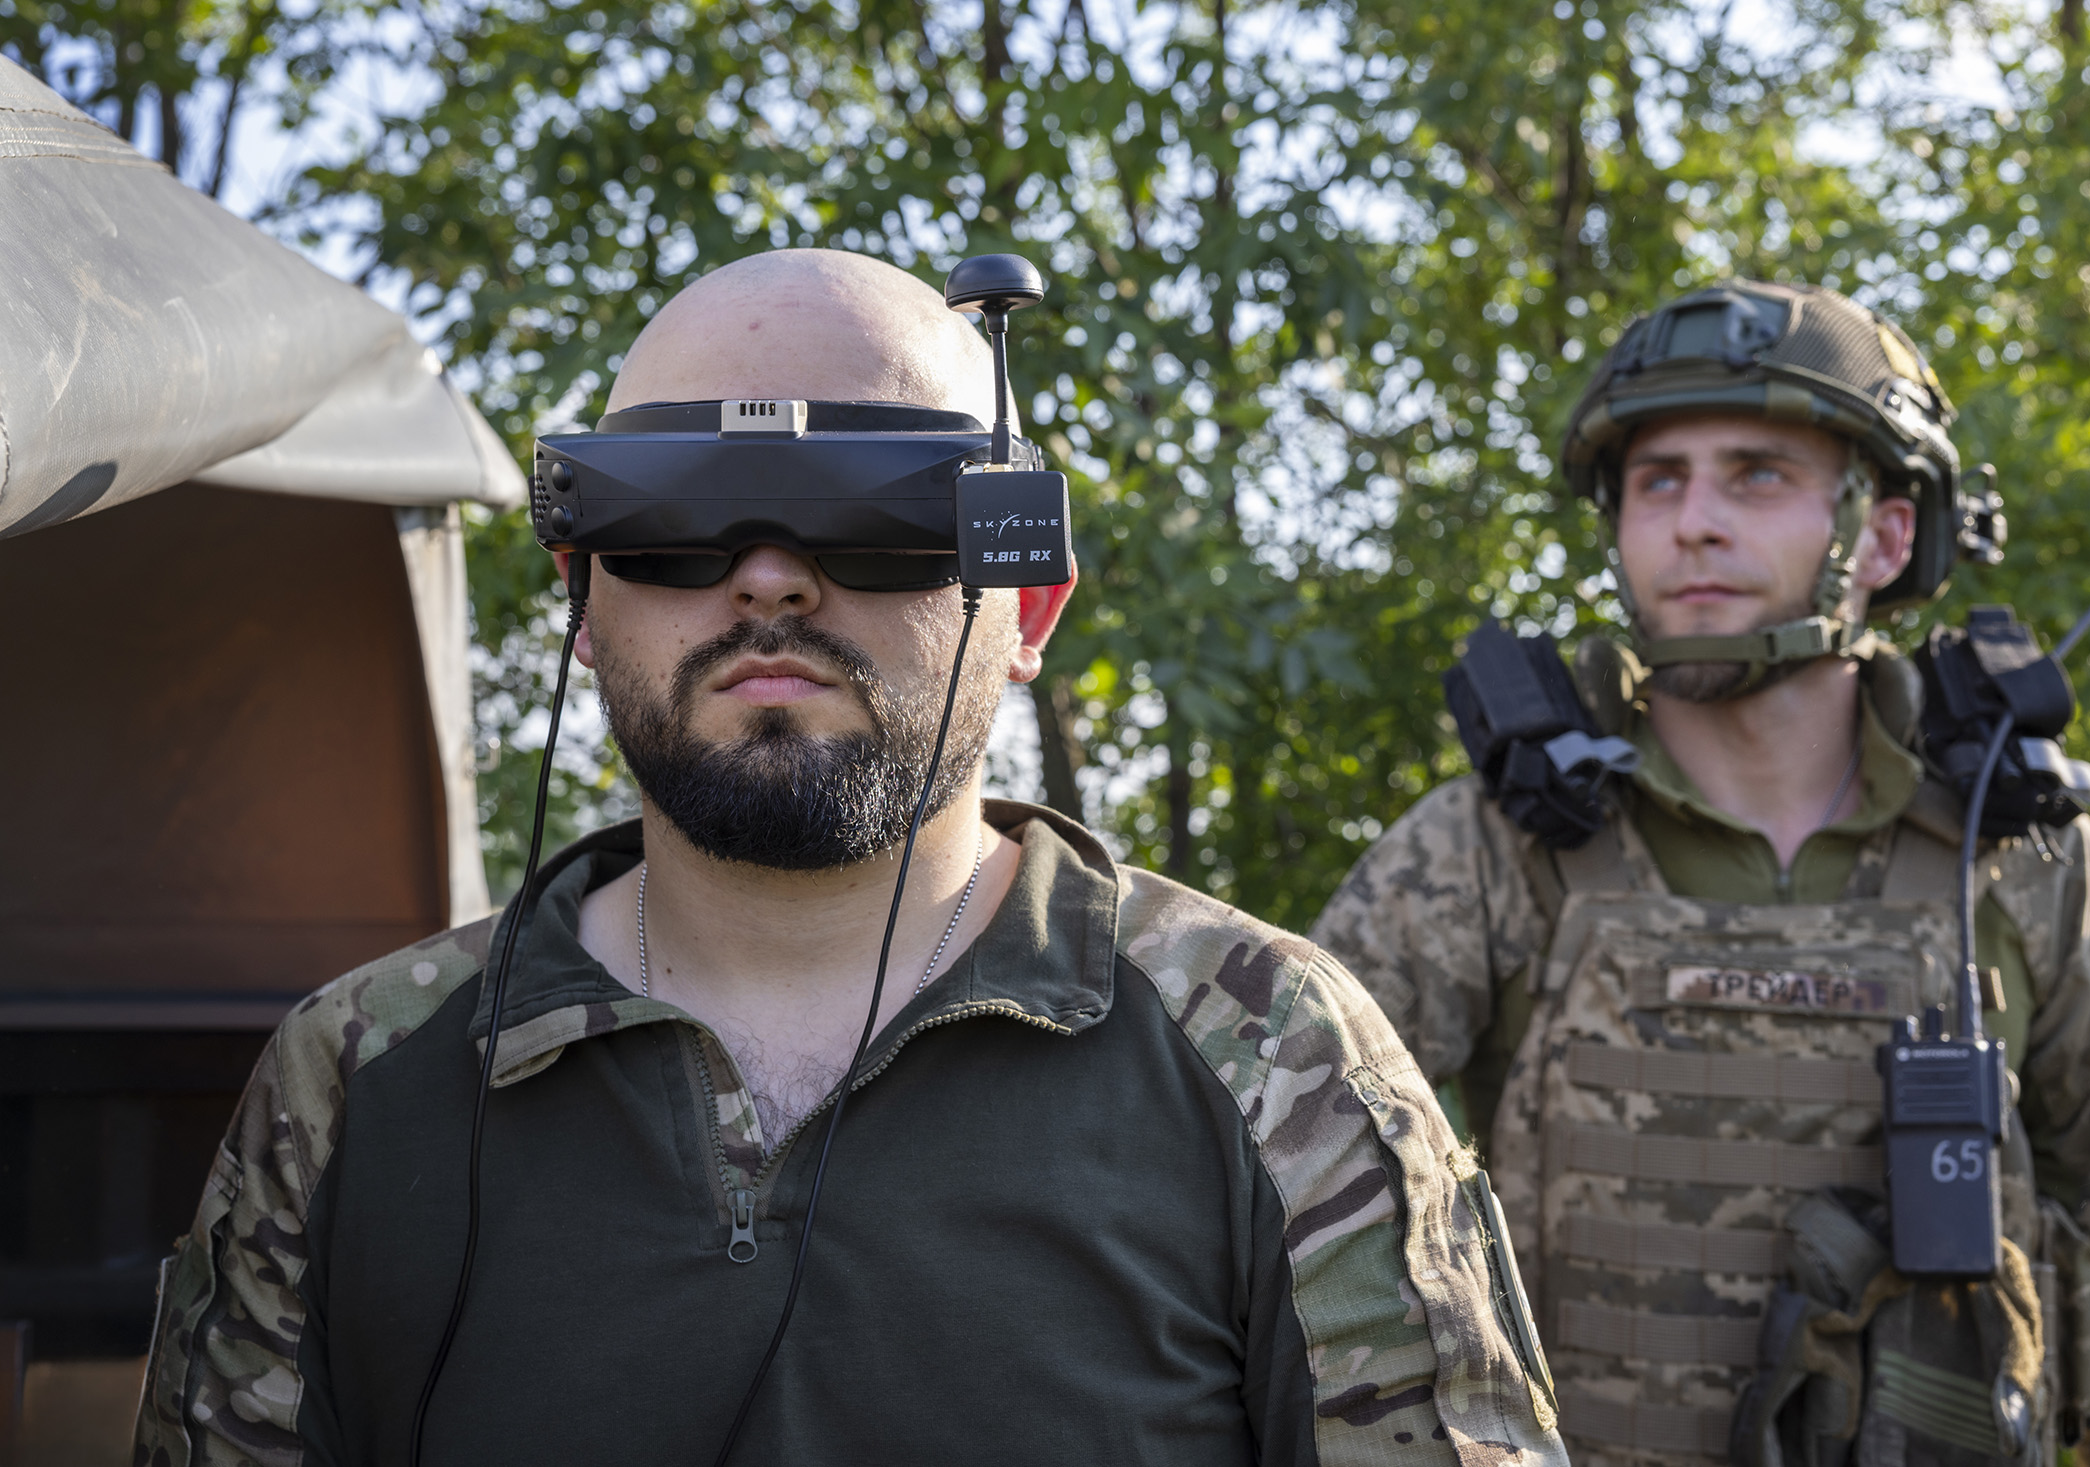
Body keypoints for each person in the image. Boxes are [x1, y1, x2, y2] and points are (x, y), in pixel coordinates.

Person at [132, 248, 1565, 1466]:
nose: (768, 575)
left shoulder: (1273, 1058)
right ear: (579, 590)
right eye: (677, 512)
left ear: (1027, 597)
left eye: (878, 509)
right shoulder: (356, 1076)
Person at [1311, 281, 2090, 1466]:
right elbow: (1288, 1233)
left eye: (1757, 475)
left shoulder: (2025, 858)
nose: (1693, 522)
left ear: (1884, 533)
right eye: (1657, 480)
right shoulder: (1481, 851)